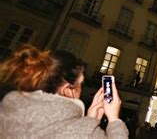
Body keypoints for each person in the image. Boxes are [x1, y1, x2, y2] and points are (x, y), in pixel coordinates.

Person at [0, 44, 128, 138]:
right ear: (68, 89)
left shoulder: (7, 111)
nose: (81, 89)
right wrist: (114, 119)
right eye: (80, 84)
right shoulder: (84, 133)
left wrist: (89, 120)